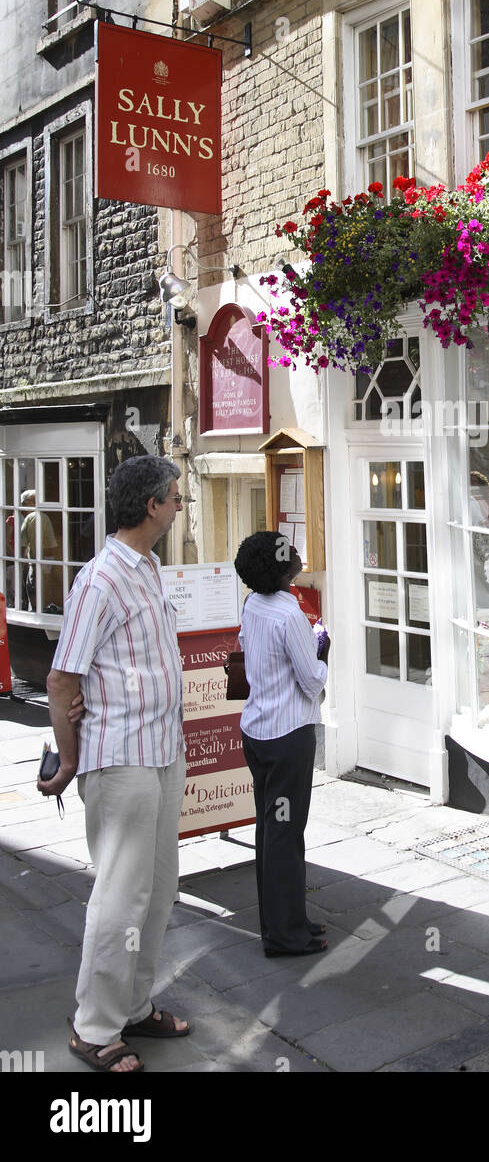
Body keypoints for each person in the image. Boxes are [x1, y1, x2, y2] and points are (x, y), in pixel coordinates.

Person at [37, 456, 189, 1073]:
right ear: (151, 506)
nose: (181, 506)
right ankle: (93, 1026)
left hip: (160, 751)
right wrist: (68, 760)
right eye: (176, 497)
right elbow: (60, 677)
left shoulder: (148, 567)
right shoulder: (100, 580)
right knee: (121, 893)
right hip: (119, 755)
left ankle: (132, 1006)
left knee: (157, 889)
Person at [233, 532, 330, 957]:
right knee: (284, 835)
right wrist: (323, 654)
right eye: (289, 550)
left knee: (273, 830)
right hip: (287, 735)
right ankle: (283, 935)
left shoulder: (254, 604)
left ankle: (288, 919)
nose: (296, 554)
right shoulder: (288, 613)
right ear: (281, 566)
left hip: (257, 731)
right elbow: (310, 680)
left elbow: (244, 647)